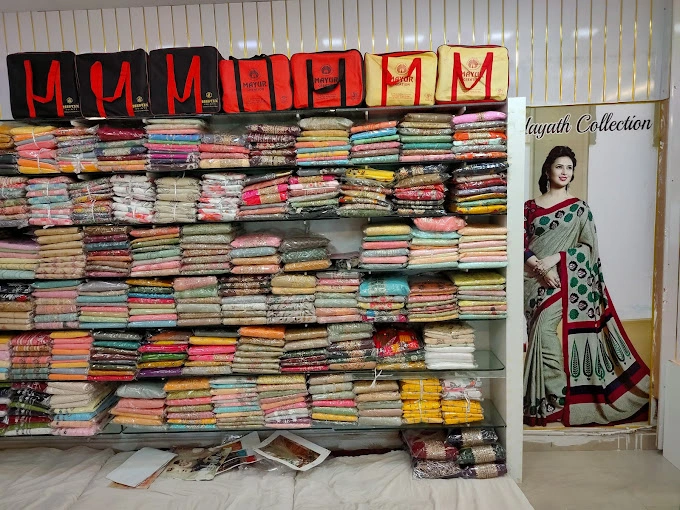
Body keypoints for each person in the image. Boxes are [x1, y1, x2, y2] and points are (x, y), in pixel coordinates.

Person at [523, 145, 650, 426]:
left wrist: (556, 258)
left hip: (564, 280)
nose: (564, 172)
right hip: (531, 281)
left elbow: (588, 249)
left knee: (544, 331)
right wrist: (539, 267)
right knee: (537, 334)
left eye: (569, 168)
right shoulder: (529, 207)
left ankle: (559, 396)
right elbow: (519, 242)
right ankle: (543, 400)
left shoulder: (579, 209)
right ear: (547, 170)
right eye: (559, 166)